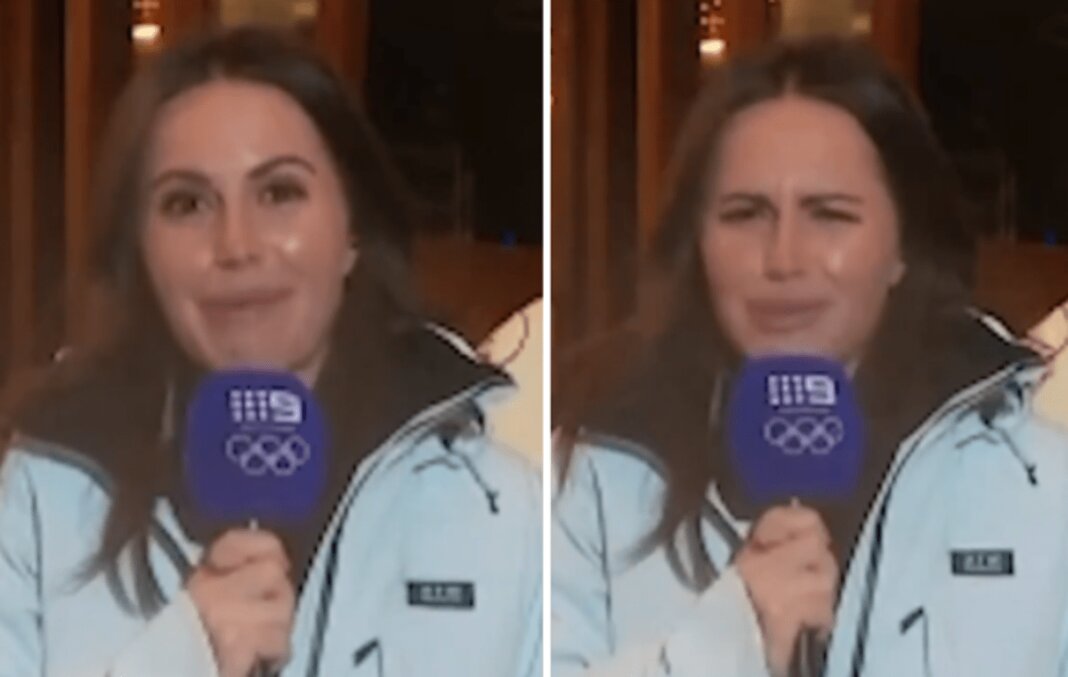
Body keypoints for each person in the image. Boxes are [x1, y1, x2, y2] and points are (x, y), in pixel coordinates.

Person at [0, 27, 540, 677]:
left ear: (353, 231)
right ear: (139, 250)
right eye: (187, 203)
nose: (237, 244)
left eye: (279, 192)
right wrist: (182, 657)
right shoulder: (45, 489)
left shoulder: (503, 511)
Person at [553, 37, 1068, 676]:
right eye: (745, 214)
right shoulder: (596, 472)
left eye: (830, 215)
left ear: (903, 248)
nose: (784, 259)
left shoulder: (1041, 485)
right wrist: (727, 645)